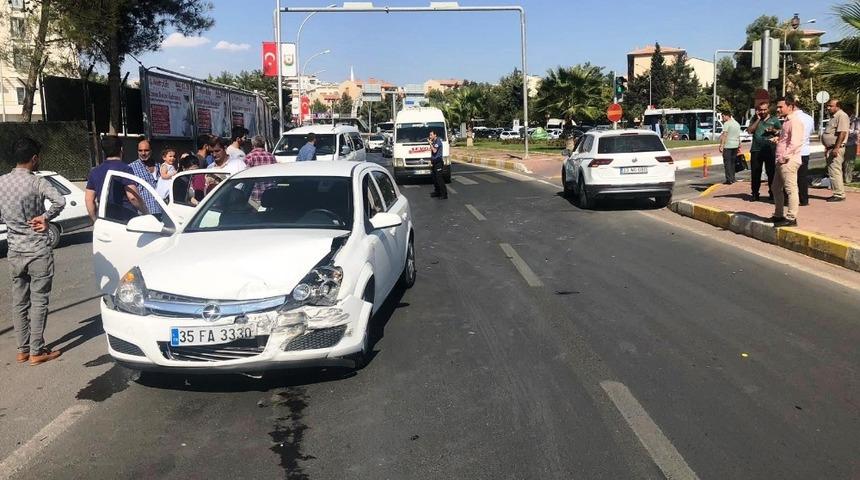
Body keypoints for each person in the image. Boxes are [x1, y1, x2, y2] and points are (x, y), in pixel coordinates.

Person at [0, 137, 66, 365]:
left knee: (19, 302)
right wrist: (45, 217)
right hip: (37, 249)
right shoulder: (37, 182)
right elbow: (60, 201)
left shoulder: (1, 182)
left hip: (15, 251)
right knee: (39, 301)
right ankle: (37, 351)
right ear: (34, 158)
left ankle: (22, 349)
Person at [85, 136, 147, 223]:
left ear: (103, 151)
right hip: (125, 219)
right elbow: (132, 197)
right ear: (121, 149)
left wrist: (95, 220)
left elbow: (89, 199)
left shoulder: (95, 172)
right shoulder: (125, 169)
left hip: (105, 219)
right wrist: (146, 213)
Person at [770, 96, 804, 227]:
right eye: (778, 106)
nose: (778, 109)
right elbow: (787, 139)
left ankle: (791, 217)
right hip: (781, 160)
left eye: (781, 107)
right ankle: (778, 214)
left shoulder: (795, 121)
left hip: (788, 161)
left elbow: (795, 142)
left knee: (790, 189)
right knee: (775, 188)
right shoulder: (786, 121)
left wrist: (785, 156)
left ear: (790, 107)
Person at [747, 101, 780, 201]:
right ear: (757, 110)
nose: (763, 111)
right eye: (761, 110)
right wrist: (758, 119)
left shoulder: (774, 119)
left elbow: (780, 132)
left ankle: (772, 192)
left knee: (771, 172)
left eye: (765, 109)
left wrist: (773, 130)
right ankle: (755, 193)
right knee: (755, 172)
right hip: (756, 149)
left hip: (770, 149)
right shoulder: (755, 119)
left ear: (768, 109)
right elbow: (750, 130)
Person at [822, 99, 850, 202]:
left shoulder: (841, 116)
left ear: (838, 106)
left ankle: (839, 194)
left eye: (830, 106)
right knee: (833, 171)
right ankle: (838, 192)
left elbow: (842, 133)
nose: (828, 108)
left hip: (836, 148)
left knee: (835, 171)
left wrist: (836, 148)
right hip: (831, 148)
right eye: (827, 106)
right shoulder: (834, 116)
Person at [128, 138, 163, 218]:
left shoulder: (160, 166)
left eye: (146, 150)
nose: (143, 153)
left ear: (151, 150)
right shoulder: (131, 168)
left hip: (161, 212)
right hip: (143, 215)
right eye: (140, 150)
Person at [795, 102, 815, 206]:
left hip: (795, 151)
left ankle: (790, 199)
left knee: (792, 178)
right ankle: (804, 199)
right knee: (802, 176)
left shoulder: (793, 118)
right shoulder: (809, 118)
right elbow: (811, 131)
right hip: (805, 150)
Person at [719, 110, 741, 185]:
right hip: (735, 145)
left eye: (723, 116)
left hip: (728, 145)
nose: (722, 118)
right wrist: (739, 144)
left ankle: (729, 179)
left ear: (726, 116)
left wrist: (721, 145)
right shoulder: (736, 123)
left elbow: (725, 135)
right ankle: (733, 178)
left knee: (727, 163)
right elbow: (738, 135)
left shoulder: (727, 124)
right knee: (732, 163)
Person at [429, 129, 447, 199]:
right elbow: (432, 154)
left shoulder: (438, 141)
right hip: (434, 162)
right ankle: (437, 192)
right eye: (429, 135)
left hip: (438, 162)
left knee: (439, 179)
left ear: (435, 135)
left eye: (431, 135)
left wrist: (430, 143)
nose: (430, 136)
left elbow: (434, 150)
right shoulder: (433, 142)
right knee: (435, 179)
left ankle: (444, 194)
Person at [844, 108, 858, 184]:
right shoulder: (843, 118)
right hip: (843, 143)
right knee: (842, 162)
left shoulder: (855, 120)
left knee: (850, 162)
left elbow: (857, 131)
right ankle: (843, 177)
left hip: (851, 144)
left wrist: (847, 132)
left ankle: (848, 179)